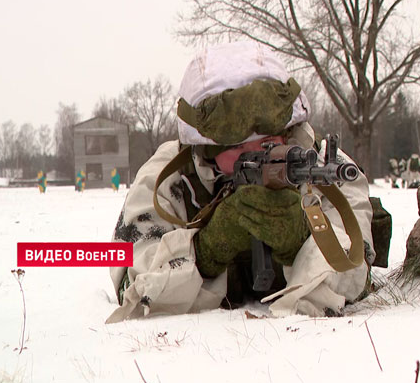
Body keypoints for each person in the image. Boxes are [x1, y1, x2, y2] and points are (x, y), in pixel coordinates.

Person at [106, 40, 375, 323]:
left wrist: (303, 240)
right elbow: (131, 290)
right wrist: (205, 250)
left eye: (268, 140)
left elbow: (356, 278)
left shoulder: (323, 168)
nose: (257, 154)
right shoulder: (166, 179)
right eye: (236, 145)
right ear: (205, 149)